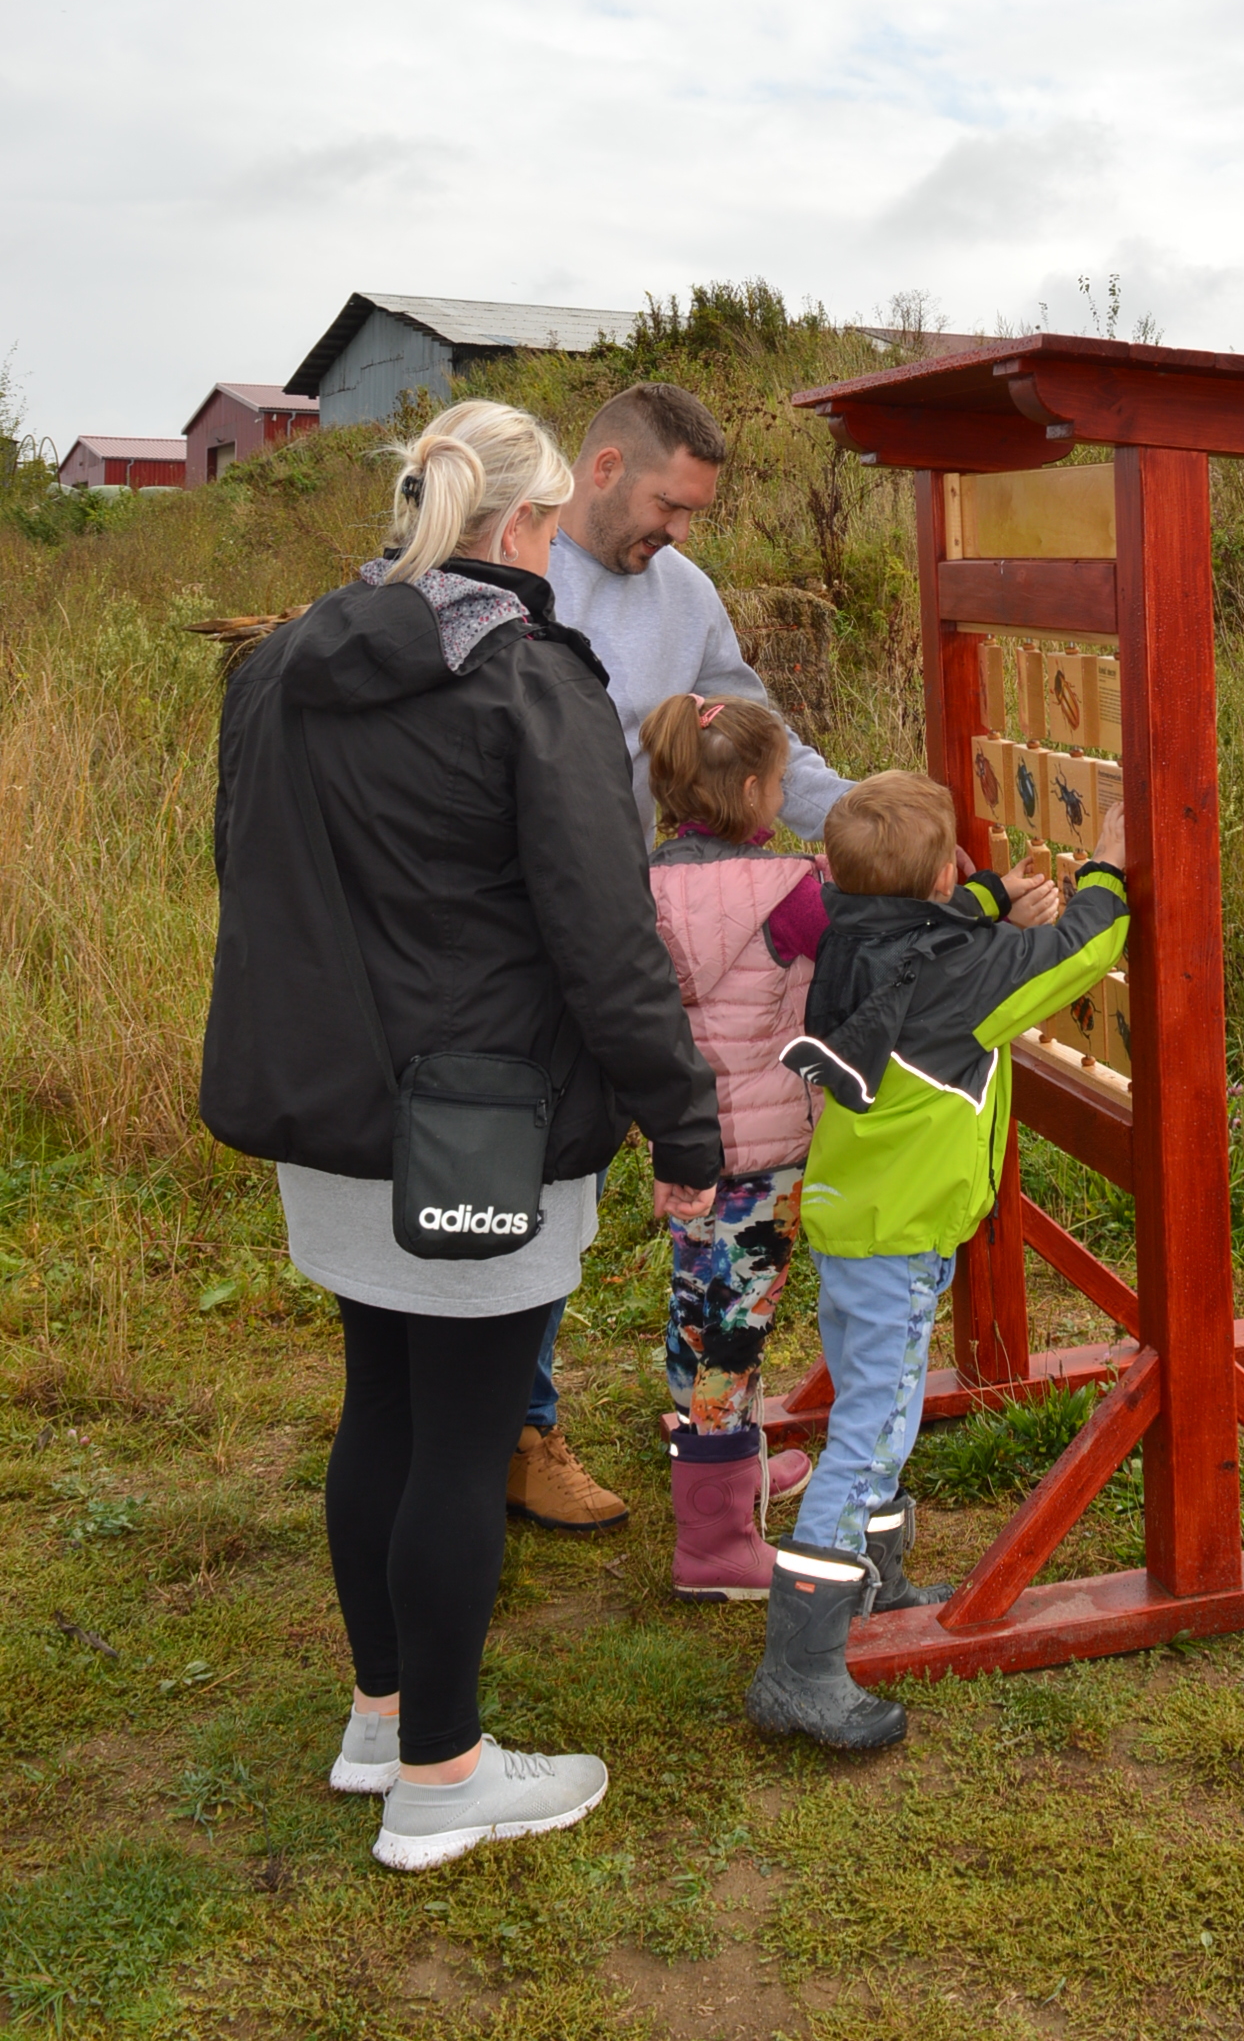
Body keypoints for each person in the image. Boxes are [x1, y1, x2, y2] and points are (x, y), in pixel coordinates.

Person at [200, 399, 723, 1872]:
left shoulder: (283, 661)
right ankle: (441, 1776)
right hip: (478, 1126)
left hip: (332, 1116)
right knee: (463, 1438)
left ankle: (384, 1718)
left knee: (383, 1406)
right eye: (553, 532)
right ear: (523, 529)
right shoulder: (531, 680)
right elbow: (604, 934)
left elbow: (242, 870)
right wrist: (683, 1124)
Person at [510, 378, 853, 1535]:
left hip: (637, 924)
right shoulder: (513, 568)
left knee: (623, 1182)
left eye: (695, 511)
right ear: (602, 468)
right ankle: (519, 1427)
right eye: (669, 502)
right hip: (513, 927)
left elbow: (753, 734)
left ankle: (664, 1419)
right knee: (522, 1167)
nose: (680, 531)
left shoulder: (685, 592)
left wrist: (862, 820)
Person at [745, 770, 1129, 1752]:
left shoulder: (851, 927)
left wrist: (994, 894)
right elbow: (1074, 955)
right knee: (868, 1433)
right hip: (898, 1235)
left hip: (856, 1220)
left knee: (888, 1409)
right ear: (932, 877)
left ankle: (873, 1588)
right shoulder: (957, 975)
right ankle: (798, 1668)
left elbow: (941, 922)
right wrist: (1109, 872)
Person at [641, 690, 832, 1599]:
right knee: (735, 1336)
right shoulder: (791, 895)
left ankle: (733, 1474)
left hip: (687, 1153)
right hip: (765, 1160)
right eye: (783, 781)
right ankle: (712, 1546)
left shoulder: (641, 884)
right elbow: (860, 946)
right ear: (755, 789)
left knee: (701, 1319)